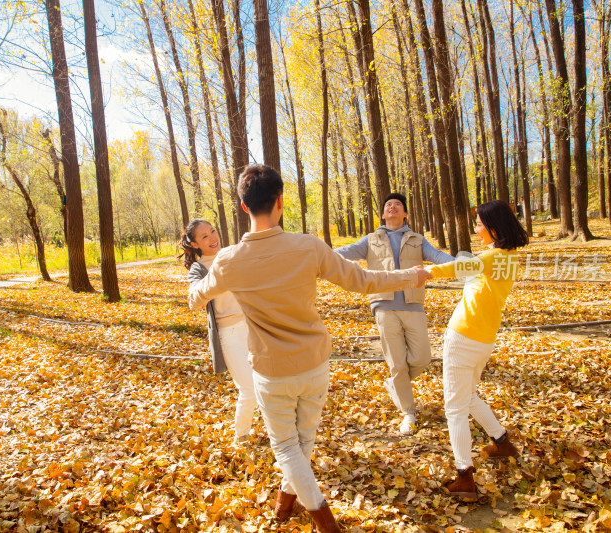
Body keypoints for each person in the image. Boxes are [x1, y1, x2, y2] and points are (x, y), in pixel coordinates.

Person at [189, 165, 431, 532]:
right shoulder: (308, 246)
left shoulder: (227, 260)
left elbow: (196, 298)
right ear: (281, 202)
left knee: (288, 448)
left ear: (242, 206)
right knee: (303, 443)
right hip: (315, 364)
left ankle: (324, 523)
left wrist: (195, 278)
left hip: (271, 371)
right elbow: (363, 280)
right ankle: (285, 504)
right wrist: (410, 275)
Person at [426, 200, 529, 501]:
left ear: (494, 226)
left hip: (464, 337)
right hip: (484, 337)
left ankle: (464, 477)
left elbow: (454, 268)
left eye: (479, 223)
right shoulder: (508, 257)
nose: (475, 227)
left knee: (454, 408)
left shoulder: (491, 257)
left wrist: (421, 272)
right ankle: (501, 441)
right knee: (468, 396)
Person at [336, 192, 453, 434]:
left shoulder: (417, 239)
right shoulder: (371, 240)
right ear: (382, 214)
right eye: (388, 204)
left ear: (405, 213)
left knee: (422, 358)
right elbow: (345, 252)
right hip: (384, 305)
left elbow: (438, 257)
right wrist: (316, 253)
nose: (392, 207)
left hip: (413, 304)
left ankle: (395, 384)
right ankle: (408, 413)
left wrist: (461, 265)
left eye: (397, 204)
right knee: (397, 363)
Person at [179, 219, 257, 445]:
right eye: (204, 236)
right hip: (229, 333)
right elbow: (194, 299)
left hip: (255, 326)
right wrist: (215, 279)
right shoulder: (199, 268)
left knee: (269, 383)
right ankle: (240, 437)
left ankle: (280, 434)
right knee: (249, 389)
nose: (212, 238)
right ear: (194, 244)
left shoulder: (234, 253)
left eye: (212, 231)